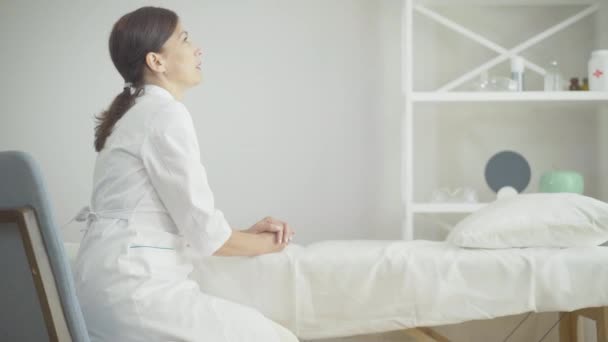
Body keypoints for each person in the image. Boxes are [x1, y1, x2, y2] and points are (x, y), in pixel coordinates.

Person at [73, 6, 297, 341]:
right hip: (136, 293)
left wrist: (244, 234)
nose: (197, 48)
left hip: (101, 288)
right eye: (185, 38)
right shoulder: (164, 115)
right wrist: (269, 244)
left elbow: (177, 221)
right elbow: (208, 235)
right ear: (157, 61)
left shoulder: (134, 114)